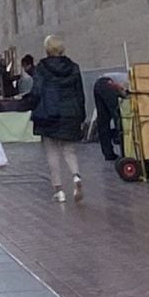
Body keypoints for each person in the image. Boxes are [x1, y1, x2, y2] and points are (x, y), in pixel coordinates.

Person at [31, 36, 86, 203]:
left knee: (52, 152)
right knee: (69, 150)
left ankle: (59, 190)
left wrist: (31, 108)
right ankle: (76, 176)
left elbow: (37, 92)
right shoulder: (74, 68)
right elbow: (80, 93)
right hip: (70, 114)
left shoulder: (41, 68)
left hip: (49, 114)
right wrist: (80, 115)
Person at [93, 75, 126, 160]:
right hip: (108, 84)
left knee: (103, 121)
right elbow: (123, 92)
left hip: (98, 84)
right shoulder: (127, 80)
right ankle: (125, 151)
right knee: (119, 116)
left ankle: (108, 154)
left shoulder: (122, 76)